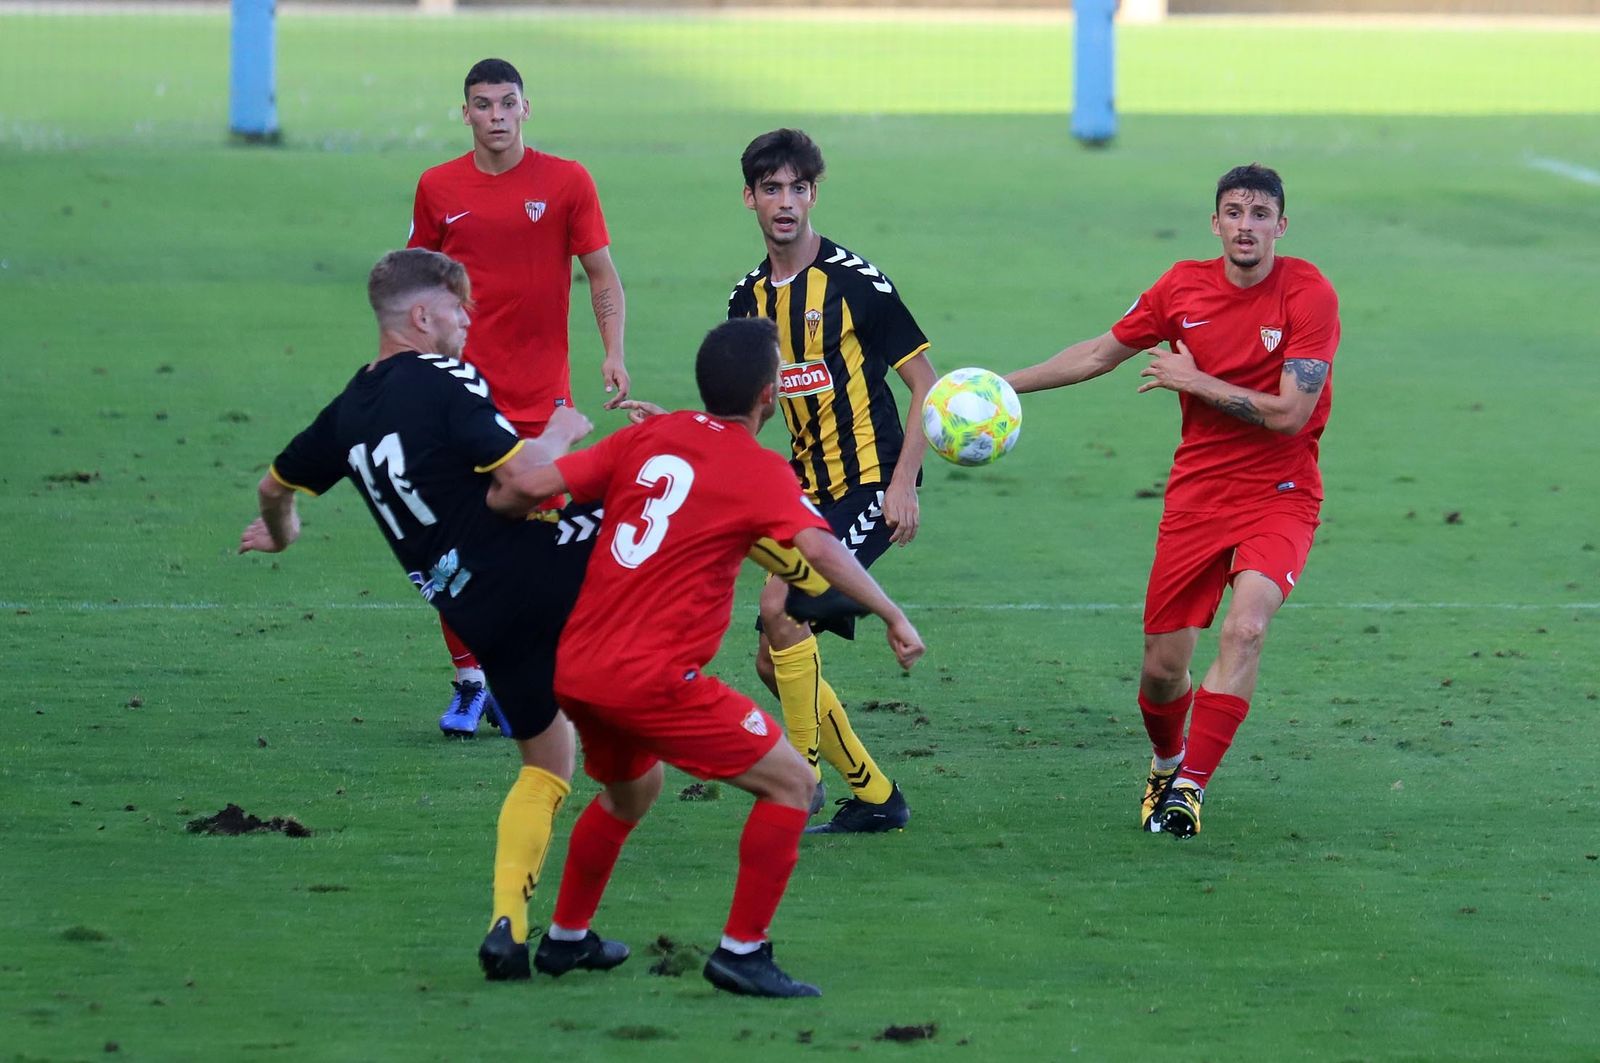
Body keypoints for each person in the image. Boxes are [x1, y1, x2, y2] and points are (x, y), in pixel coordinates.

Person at [503, 318, 925, 998]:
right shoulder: (761, 470)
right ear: (769, 396)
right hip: (652, 680)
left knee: (630, 792)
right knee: (790, 782)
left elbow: (530, 487)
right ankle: (742, 951)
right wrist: (892, 614)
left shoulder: (649, 436)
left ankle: (565, 938)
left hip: (578, 670)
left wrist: (497, 495)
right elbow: (819, 549)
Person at [239, 248, 599, 979]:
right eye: (460, 306)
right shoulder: (444, 377)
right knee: (669, 487)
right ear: (423, 315)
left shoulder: (346, 410)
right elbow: (525, 481)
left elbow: (273, 490)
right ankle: (802, 584)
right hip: (533, 570)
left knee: (550, 759)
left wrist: (283, 535)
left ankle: (510, 924)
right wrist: (562, 428)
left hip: (473, 612)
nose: (470, 318)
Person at [1005, 164, 1340, 839]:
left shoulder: (1309, 294)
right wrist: (1000, 385)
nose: (1247, 225)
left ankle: (1189, 790)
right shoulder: (1181, 287)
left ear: (1282, 224)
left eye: (1260, 213)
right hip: (1198, 494)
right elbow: (1099, 353)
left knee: (1246, 628)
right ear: (1215, 223)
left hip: (1281, 492)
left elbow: (1290, 415)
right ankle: (1167, 759)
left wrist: (1197, 379)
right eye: (1234, 212)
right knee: (1163, 672)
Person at [407, 56, 628, 737]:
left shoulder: (566, 182)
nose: (496, 116)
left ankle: (529, 678)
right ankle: (471, 682)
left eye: (508, 103)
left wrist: (614, 350)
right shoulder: (438, 187)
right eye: (483, 104)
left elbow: (601, 276)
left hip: (541, 403)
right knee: (452, 545)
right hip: (462, 397)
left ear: (526, 108)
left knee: (540, 549)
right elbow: (417, 284)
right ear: (465, 112)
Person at [726, 128, 939, 833]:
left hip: (872, 482)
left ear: (814, 194)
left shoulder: (853, 283)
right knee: (770, 654)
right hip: (806, 487)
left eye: (797, 188)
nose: (785, 203)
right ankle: (876, 795)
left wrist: (904, 483)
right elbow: (749, 410)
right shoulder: (749, 298)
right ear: (750, 198)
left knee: (783, 609)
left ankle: (801, 777)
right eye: (771, 189)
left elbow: (924, 385)